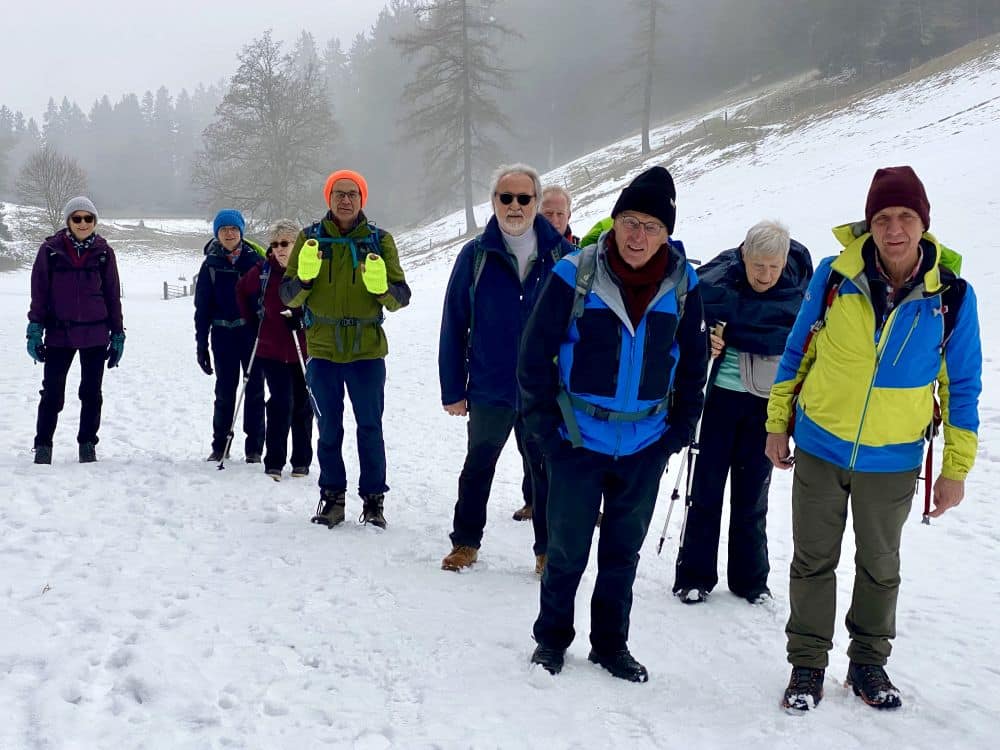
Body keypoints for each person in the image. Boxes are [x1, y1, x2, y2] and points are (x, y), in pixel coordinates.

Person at [766, 166, 982, 712]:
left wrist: (955, 468)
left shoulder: (951, 295)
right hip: (821, 443)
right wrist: (776, 422)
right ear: (870, 223)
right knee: (812, 560)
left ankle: (867, 663)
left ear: (923, 223)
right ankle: (807, 664)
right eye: (883, 218)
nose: (893, 229)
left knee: (880, 566)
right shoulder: (834, 277)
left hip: (893, 458)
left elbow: (962, 386)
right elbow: (798, 350)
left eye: (905, 217)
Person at [519, 166, 708, 681]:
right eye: (629, 222)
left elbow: (694, 364)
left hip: (645, 445)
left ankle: (609, 645)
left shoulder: (683, 284)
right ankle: (551, 640)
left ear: (666, 233)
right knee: (566, 552)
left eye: (651, 226)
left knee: (622, 554)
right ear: (614, 221)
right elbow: (533, 357)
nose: (637, 235)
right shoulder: (575, 274)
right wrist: (548, 434)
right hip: (577, 440)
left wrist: (676, 434)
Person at [438, 164, 574, 574]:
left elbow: (580, 327)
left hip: (543, 389)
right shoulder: (475, 256)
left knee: (546, 471)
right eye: (506, 197)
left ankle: (547, 552)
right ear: (494, 201)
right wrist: (452, 389)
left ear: (536, 202)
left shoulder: (564, 257)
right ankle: (465, 543)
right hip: (489, 386)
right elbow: (453, 323)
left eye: (524, 198)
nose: (515, 206)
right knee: (478, 466)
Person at [672, 221, 812, 605]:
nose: (765, 275)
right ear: (743, 257)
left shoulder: (799, 294)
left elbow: (805, 347)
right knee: (705, 490)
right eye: (757, 266)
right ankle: (694, 576)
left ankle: (751, 581)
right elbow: (686, 324)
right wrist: (706, 339)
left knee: (753, 495)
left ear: (784, 261)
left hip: (765, 405)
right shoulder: (718, 283)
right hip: (718, 400)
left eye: (773, 267)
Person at [281, 170, 410, 529]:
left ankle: (373, 501)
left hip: (367, 351)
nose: (346, 199)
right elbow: (288, 296)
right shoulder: (310, 239)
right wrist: (305, 279)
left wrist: (381, 289)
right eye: (339, 193)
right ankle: (332, 497)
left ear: (362, 198)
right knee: (328, 429)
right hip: (323, 350)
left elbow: (401, 298)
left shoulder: (380, 241)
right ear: (329, 197)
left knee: (370, 428)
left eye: (352, 193)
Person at [27, 196, 124, 464]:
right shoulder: (50, 250)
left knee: (91, 393)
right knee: (52, 392)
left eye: (88, 218)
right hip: (60, 333)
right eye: (77, 218)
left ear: (95, 221)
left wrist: (118, 334)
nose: (83, 223)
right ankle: (43, 445)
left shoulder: (104, 253)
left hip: (95, 335)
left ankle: (87, 444)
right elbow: (39, 293)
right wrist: (34, 329)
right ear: (68, 221)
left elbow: (112, 296)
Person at [236, 219, 313, 481]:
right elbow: (242, 290)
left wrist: (302, 319)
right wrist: (252, 321)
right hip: (271, 349)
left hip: (303, 349)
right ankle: (274, 462)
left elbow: (318, 303)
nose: (279, 249)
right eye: (275, 244)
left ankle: (301, 461)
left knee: (303, 404)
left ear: (297, 245)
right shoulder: (264, 270)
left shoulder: (308, 269)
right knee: (281, 402)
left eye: (284, 243)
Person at [194, 209, 266, 462]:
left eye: (233, 229)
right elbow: (202, 308)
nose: (229, 234)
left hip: (251, 335)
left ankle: (254, 449)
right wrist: (201, 345)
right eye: (223, 229)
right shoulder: (210, 265)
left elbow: (266, 299)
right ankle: (220, 446)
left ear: (241, 232)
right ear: (217, 233)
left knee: (255, 391)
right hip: (222, 335)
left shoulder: (255, 261)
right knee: (225, 391)